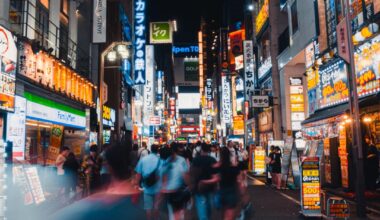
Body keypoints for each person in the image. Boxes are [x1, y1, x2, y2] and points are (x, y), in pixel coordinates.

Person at [49, 142, 146, 220]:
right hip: (91, 180)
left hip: (96, 179)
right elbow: (82, 169)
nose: (93, 153)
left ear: (109, 167)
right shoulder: (141, 200)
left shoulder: (95, 206)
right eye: (92, 151)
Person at [160, 142, 190, 220]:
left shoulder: (166, 161)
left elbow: (163, 177)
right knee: (178, 212)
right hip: (177, 191)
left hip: (172, 191)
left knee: (173, 213)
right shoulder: (181, 160)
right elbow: (185, 176)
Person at [190, 143, 218, 220]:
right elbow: (216, 176)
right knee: (209, 205)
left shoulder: (196, 160)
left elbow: (192, 174)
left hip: (198, 187)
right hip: (210, 187)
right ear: (208, 150)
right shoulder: (212, 160)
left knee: (201, 206)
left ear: (201, 150)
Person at [135, 144, 162, 220]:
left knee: (148, 208)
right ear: (158, 150)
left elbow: (138, 174)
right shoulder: (161, 159)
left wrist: (137, 184)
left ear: (151, 149)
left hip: (146, 187)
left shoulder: (143, 159)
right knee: (156, 207)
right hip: (158, 187)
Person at [215, 147, 242, 220]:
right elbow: (239, 180)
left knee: (223, 214)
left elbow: (216, 179)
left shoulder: (218, 167)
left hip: (221, 191)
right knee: (229, 215)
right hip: (231, 192)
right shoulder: (233, 167)